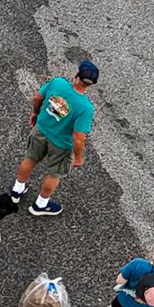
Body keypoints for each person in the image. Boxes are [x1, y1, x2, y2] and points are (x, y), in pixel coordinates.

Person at [13, 58, 98, 216]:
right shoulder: (86, 108)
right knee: (54, 173)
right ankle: (40, 205)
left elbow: (38, 97)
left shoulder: (58, 83)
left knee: (30, 159)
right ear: (91, 84)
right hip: (61, 144)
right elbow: (78, 136)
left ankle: (16, 191)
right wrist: (79, 157)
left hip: (41, 130)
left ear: (77, 74)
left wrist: (35, 113)